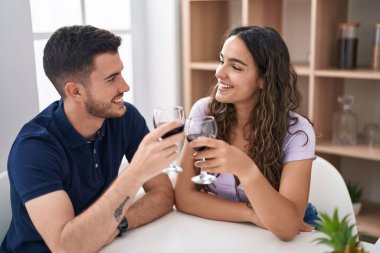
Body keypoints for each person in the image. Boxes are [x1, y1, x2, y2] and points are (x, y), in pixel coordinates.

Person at [1, 25, 184, 252]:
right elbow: (67, 247)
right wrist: (135, 173)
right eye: (112, 79)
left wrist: (117, 224)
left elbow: (163, 194)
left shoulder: (124, 117)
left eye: (121, 73)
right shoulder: (33, 149)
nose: (125, 86)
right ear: (75, 91)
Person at [175, 26, 318, 242]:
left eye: (236, 67)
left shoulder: (296, 131)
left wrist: (245, 169)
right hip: (237, 229)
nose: (219, 73)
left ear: (264, 79)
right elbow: (184, 197)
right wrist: (250, 213)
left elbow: (287, 227)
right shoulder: (204, 113)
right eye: (221, 60)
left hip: (295, 234)